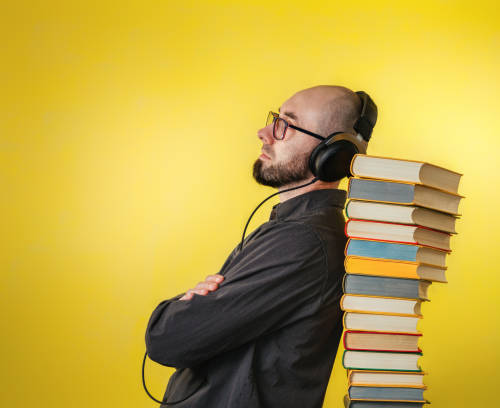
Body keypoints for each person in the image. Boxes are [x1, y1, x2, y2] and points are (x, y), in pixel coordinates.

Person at [144, 85, 375, 408]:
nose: (264, 133)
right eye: (274, 119)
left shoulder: (303, 242)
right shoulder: (291, 230)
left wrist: (180, 310)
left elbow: (167, 340)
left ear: (331, 155)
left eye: (286, 125)